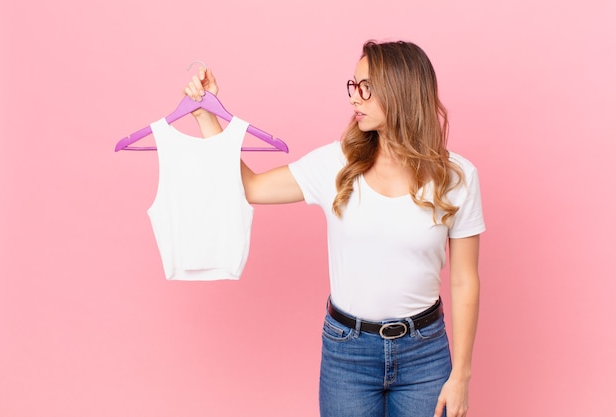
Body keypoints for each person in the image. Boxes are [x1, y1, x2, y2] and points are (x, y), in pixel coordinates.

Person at [184, 40, 485, 417]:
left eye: (365, 87)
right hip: (349, 353)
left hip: (425, 355)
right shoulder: (336, 164)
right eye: (352, 85)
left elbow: (464, 281)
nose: (354, 98)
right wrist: (206, 117)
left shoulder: (458, 177)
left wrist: (461, 376)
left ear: (401, 91)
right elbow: (252, 187)